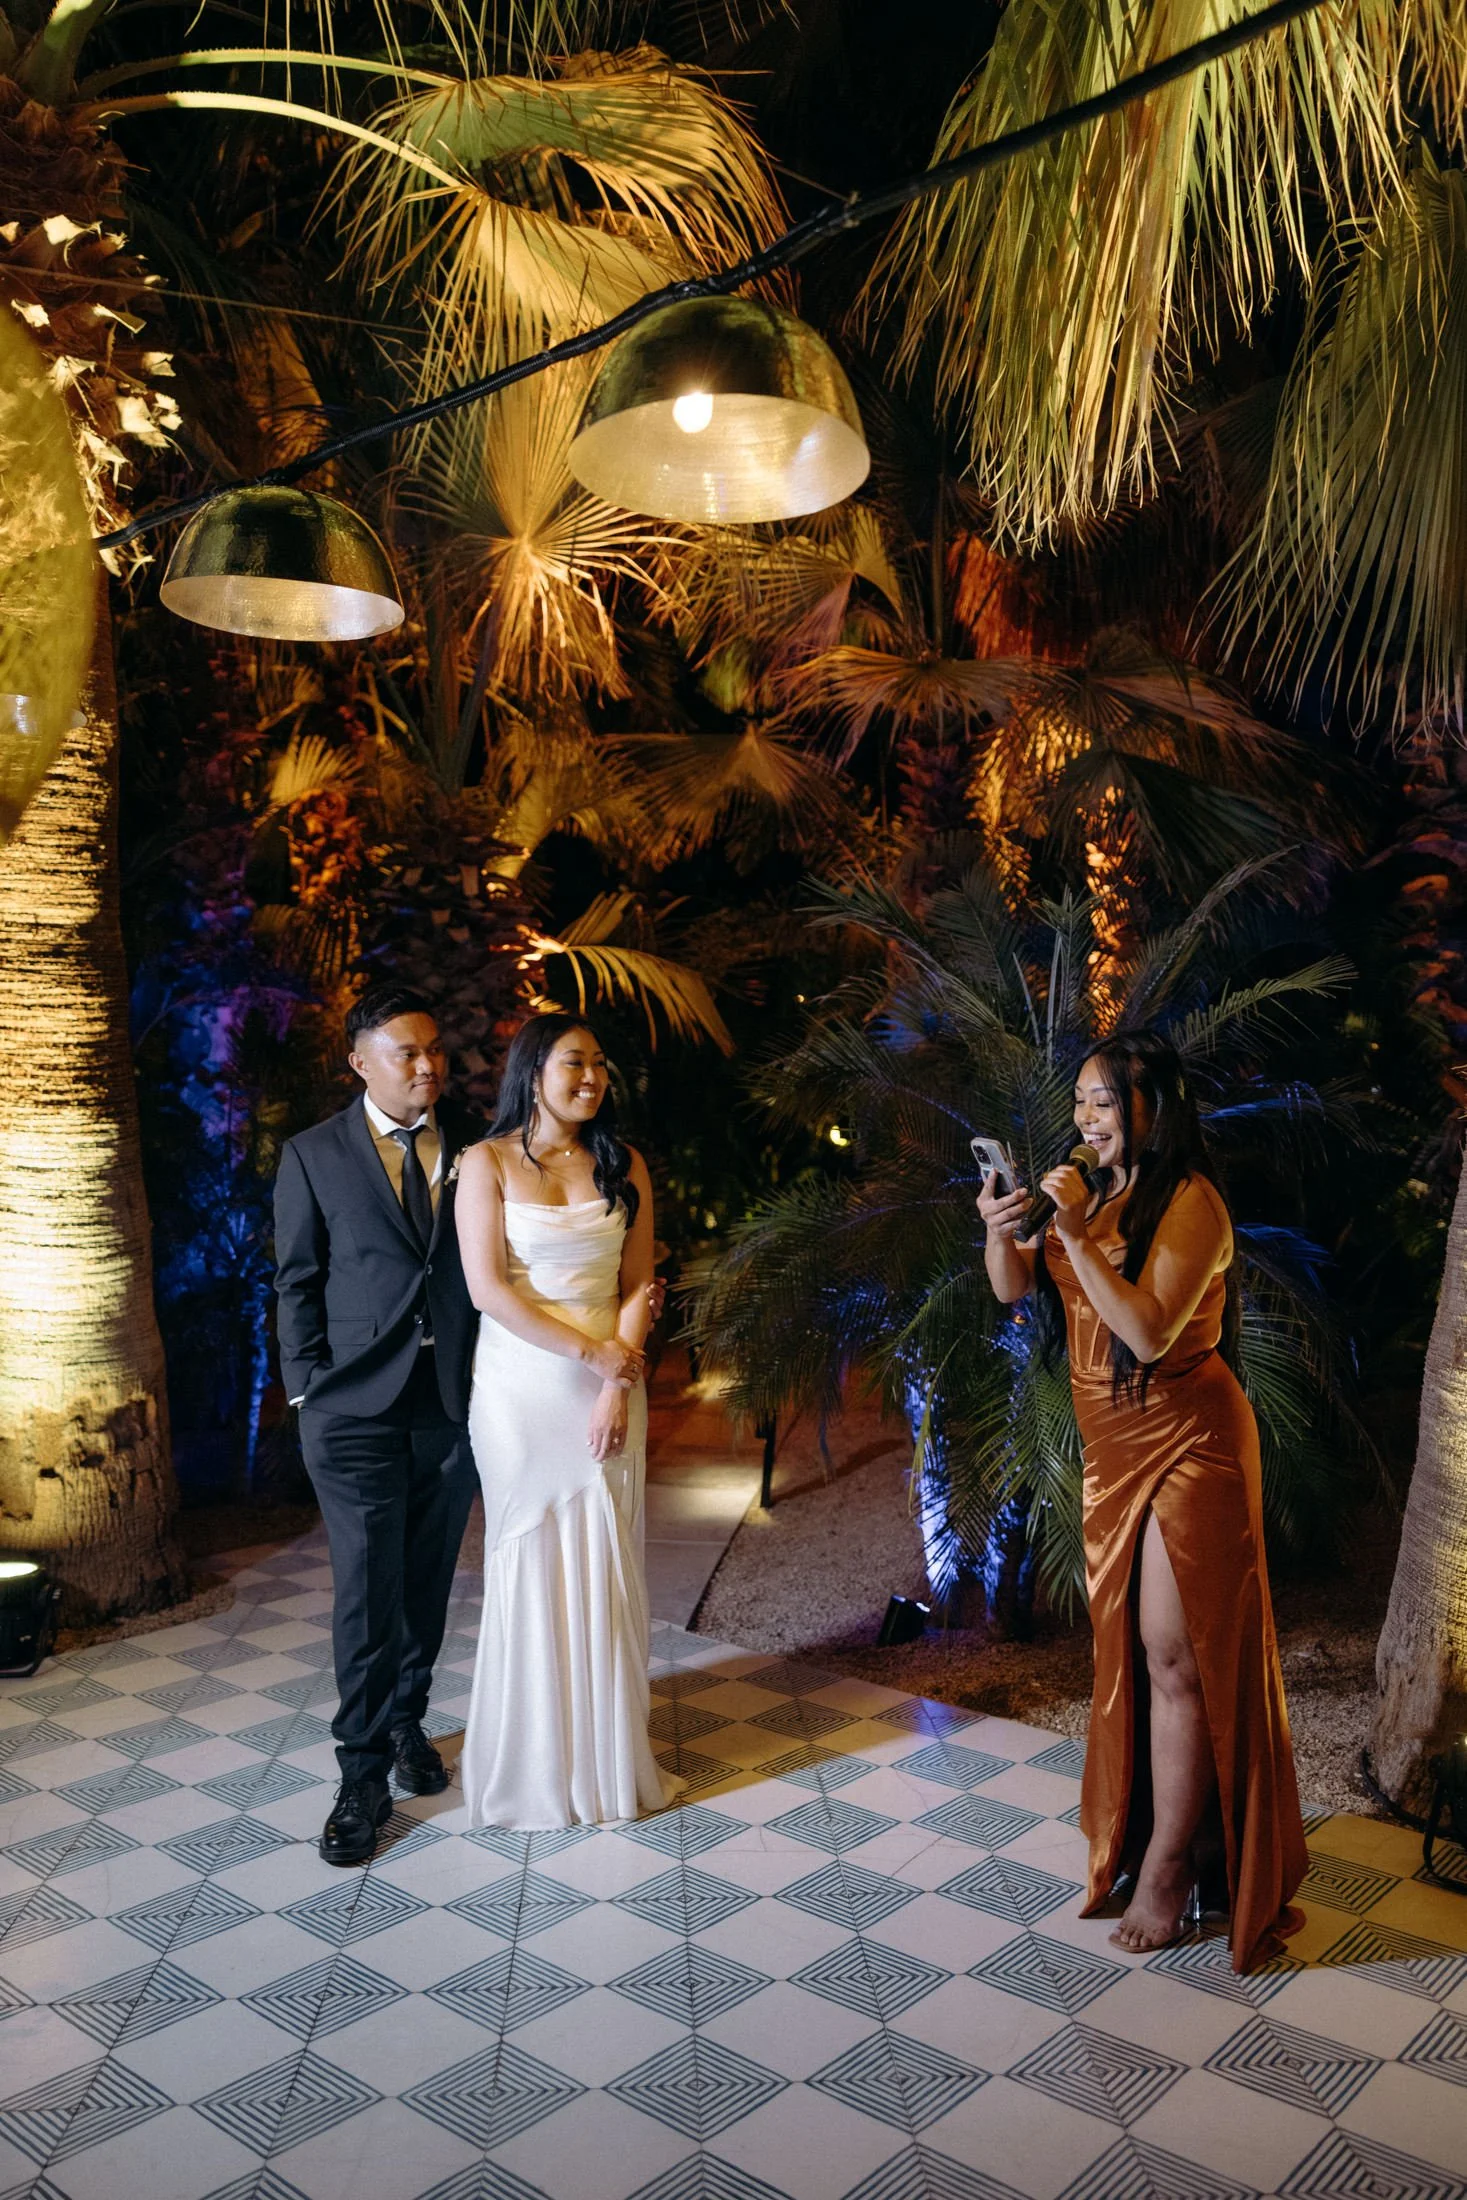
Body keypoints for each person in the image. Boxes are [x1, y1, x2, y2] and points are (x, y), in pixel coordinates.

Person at [977, 1030, 1307, 1973]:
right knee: (1129, 1653)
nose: (1086, 1119)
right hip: (1109, 1449)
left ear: (1151, 1108)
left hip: (1190, 1441)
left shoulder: (1192, 1201)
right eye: (1079, 1102)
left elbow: (1152, 1333)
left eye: (1104, 1102)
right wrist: (1006, 1228)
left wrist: (1074, 1235)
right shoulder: (1087, 1193)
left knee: (1174, 1659)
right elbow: (1012, 1291)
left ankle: (1169, 1867)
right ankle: (1161, 1842)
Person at [273, 983, 483, 1866]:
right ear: (361, 1062)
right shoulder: (314, 1153)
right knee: (366, 1589)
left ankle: (406, 1726)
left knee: (426, 1580)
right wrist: (305, 1388)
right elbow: (295, 1278)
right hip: (351, 1407)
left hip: (448, 1403)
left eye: (435, 1049)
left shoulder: (478, 1149)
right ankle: (359, 1775)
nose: (429, 1065)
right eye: (408, 1052)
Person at [454, 1013, 680, 1828]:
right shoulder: (483, 1163)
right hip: (519, 1385)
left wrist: (616, 1380)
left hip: (607, 1377)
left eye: (599, 1064)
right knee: (531, 1553)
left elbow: (634, 1281)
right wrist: (592, 1360)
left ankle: (604, 1764)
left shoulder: (624, 1164)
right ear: (532, 1069)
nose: (591, 1078)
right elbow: (488, 1290)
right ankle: (532, 1768)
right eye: (573, 1062)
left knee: (604, 1552)